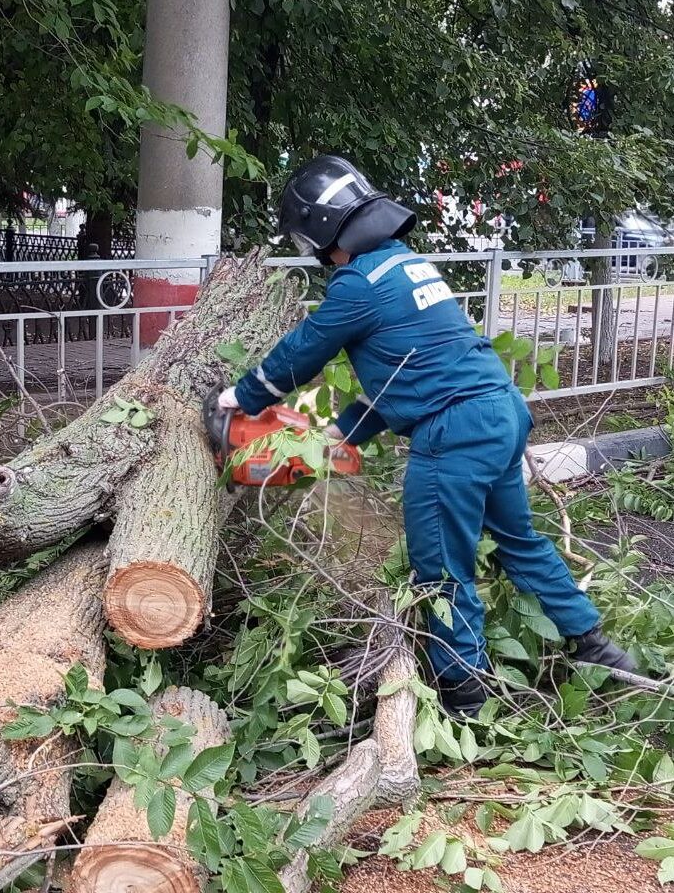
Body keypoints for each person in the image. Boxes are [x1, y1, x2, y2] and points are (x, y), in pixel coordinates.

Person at [218, 154, 637, 718]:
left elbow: (303, 352)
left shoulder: (357, 285)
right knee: (520, 541)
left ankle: (464, 696)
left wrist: (237, 402)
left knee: (440, 570)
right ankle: (597, 647)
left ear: (319, 231)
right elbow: (403, 379)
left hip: (456, 431)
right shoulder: (403, 264)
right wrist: (337, 437)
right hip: (497, 413)